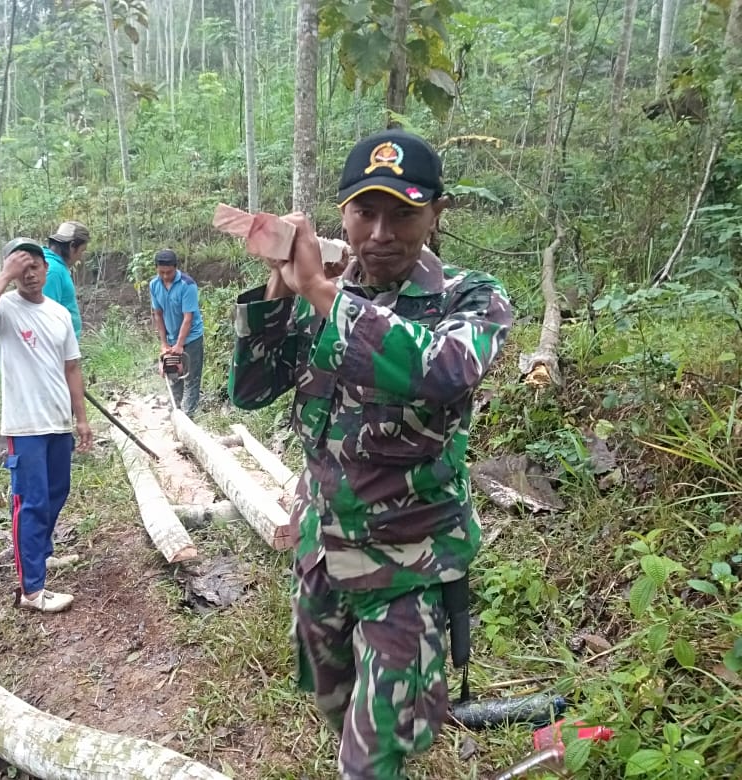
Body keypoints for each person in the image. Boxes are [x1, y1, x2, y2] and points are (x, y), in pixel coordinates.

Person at [228, 129, 512, 779]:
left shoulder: (469, 299)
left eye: (404, 213)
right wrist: (281, 289)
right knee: (337, 706)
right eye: (365, 212)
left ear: (437, 214)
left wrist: (325, 296)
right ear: (344, 214)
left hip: (408, 571)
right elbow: (249, 391)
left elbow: (443, 370)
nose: (381, 232)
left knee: (373, 756)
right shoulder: (319, 288)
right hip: (322, 555)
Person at [0, 237, 93, 613]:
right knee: (30, 501)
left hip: (57, 422)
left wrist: (81, 419)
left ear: (46, 268)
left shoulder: (58, 314)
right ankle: (31, 589)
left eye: (35, 265)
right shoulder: (4, 309)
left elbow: (72, 367)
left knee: (57, 494)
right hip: (24, 426)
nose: (30, 273)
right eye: (22, 267)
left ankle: (41, 553)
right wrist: (4, 275)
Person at [150, 249, 205, 415]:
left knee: (191, 378)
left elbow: (188, 317)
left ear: (176, 268)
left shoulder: (187, 285)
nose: (165, 276)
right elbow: (158, 314)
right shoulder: (154, 285)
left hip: (191, 338)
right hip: (172, 338)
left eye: (169, 272)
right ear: (156, 269)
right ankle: (176, 410)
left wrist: (180, 344)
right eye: (161, 272)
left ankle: (188, 416)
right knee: (173, 376)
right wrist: (164, 343)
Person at [42, 221, 90, 339]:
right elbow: (45, 316)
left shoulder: (57, 267)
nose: (80, 256)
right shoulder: (53, 271)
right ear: (72, 245)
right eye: (82, 251)